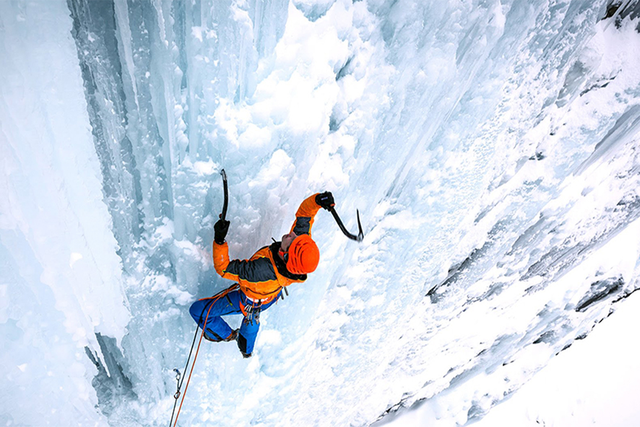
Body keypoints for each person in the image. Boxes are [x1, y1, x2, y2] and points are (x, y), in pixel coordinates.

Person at [189, 191, 335, 358]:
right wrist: (317, 200)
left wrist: (219, 241)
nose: (292, 234)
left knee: (198, 311)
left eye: (292, 241)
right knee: (251, 324)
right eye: (297, 237)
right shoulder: (299, 251)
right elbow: (305, 214)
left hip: (248, 299)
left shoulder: (260, 271)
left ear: (284, 255)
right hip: (270, 296)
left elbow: (223, 268)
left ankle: (227, 335)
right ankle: (246, 348)